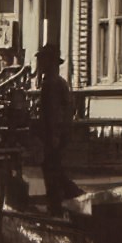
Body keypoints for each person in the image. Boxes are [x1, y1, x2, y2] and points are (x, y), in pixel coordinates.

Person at [36, 43, 82, 215]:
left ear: (52, 63)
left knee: (53, 172)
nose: (41, 64)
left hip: (54, 134)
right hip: (55, 133)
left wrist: (55, 135)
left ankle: (63, 204)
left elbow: (56, 112)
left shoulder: (53, 84)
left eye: (44, 60)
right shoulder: (56, 83)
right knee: (53, 169)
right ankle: (66, 202)